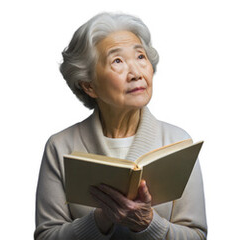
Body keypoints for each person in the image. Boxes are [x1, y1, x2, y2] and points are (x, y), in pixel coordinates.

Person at [34, 12, 207, 239]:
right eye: (117, 61)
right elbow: (46, 236)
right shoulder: (61, 146)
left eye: (140, 57)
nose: (136, 73)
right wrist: (100, 219)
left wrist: (148, 223)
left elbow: (197, 236)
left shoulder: (177, 141)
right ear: (89, 86)